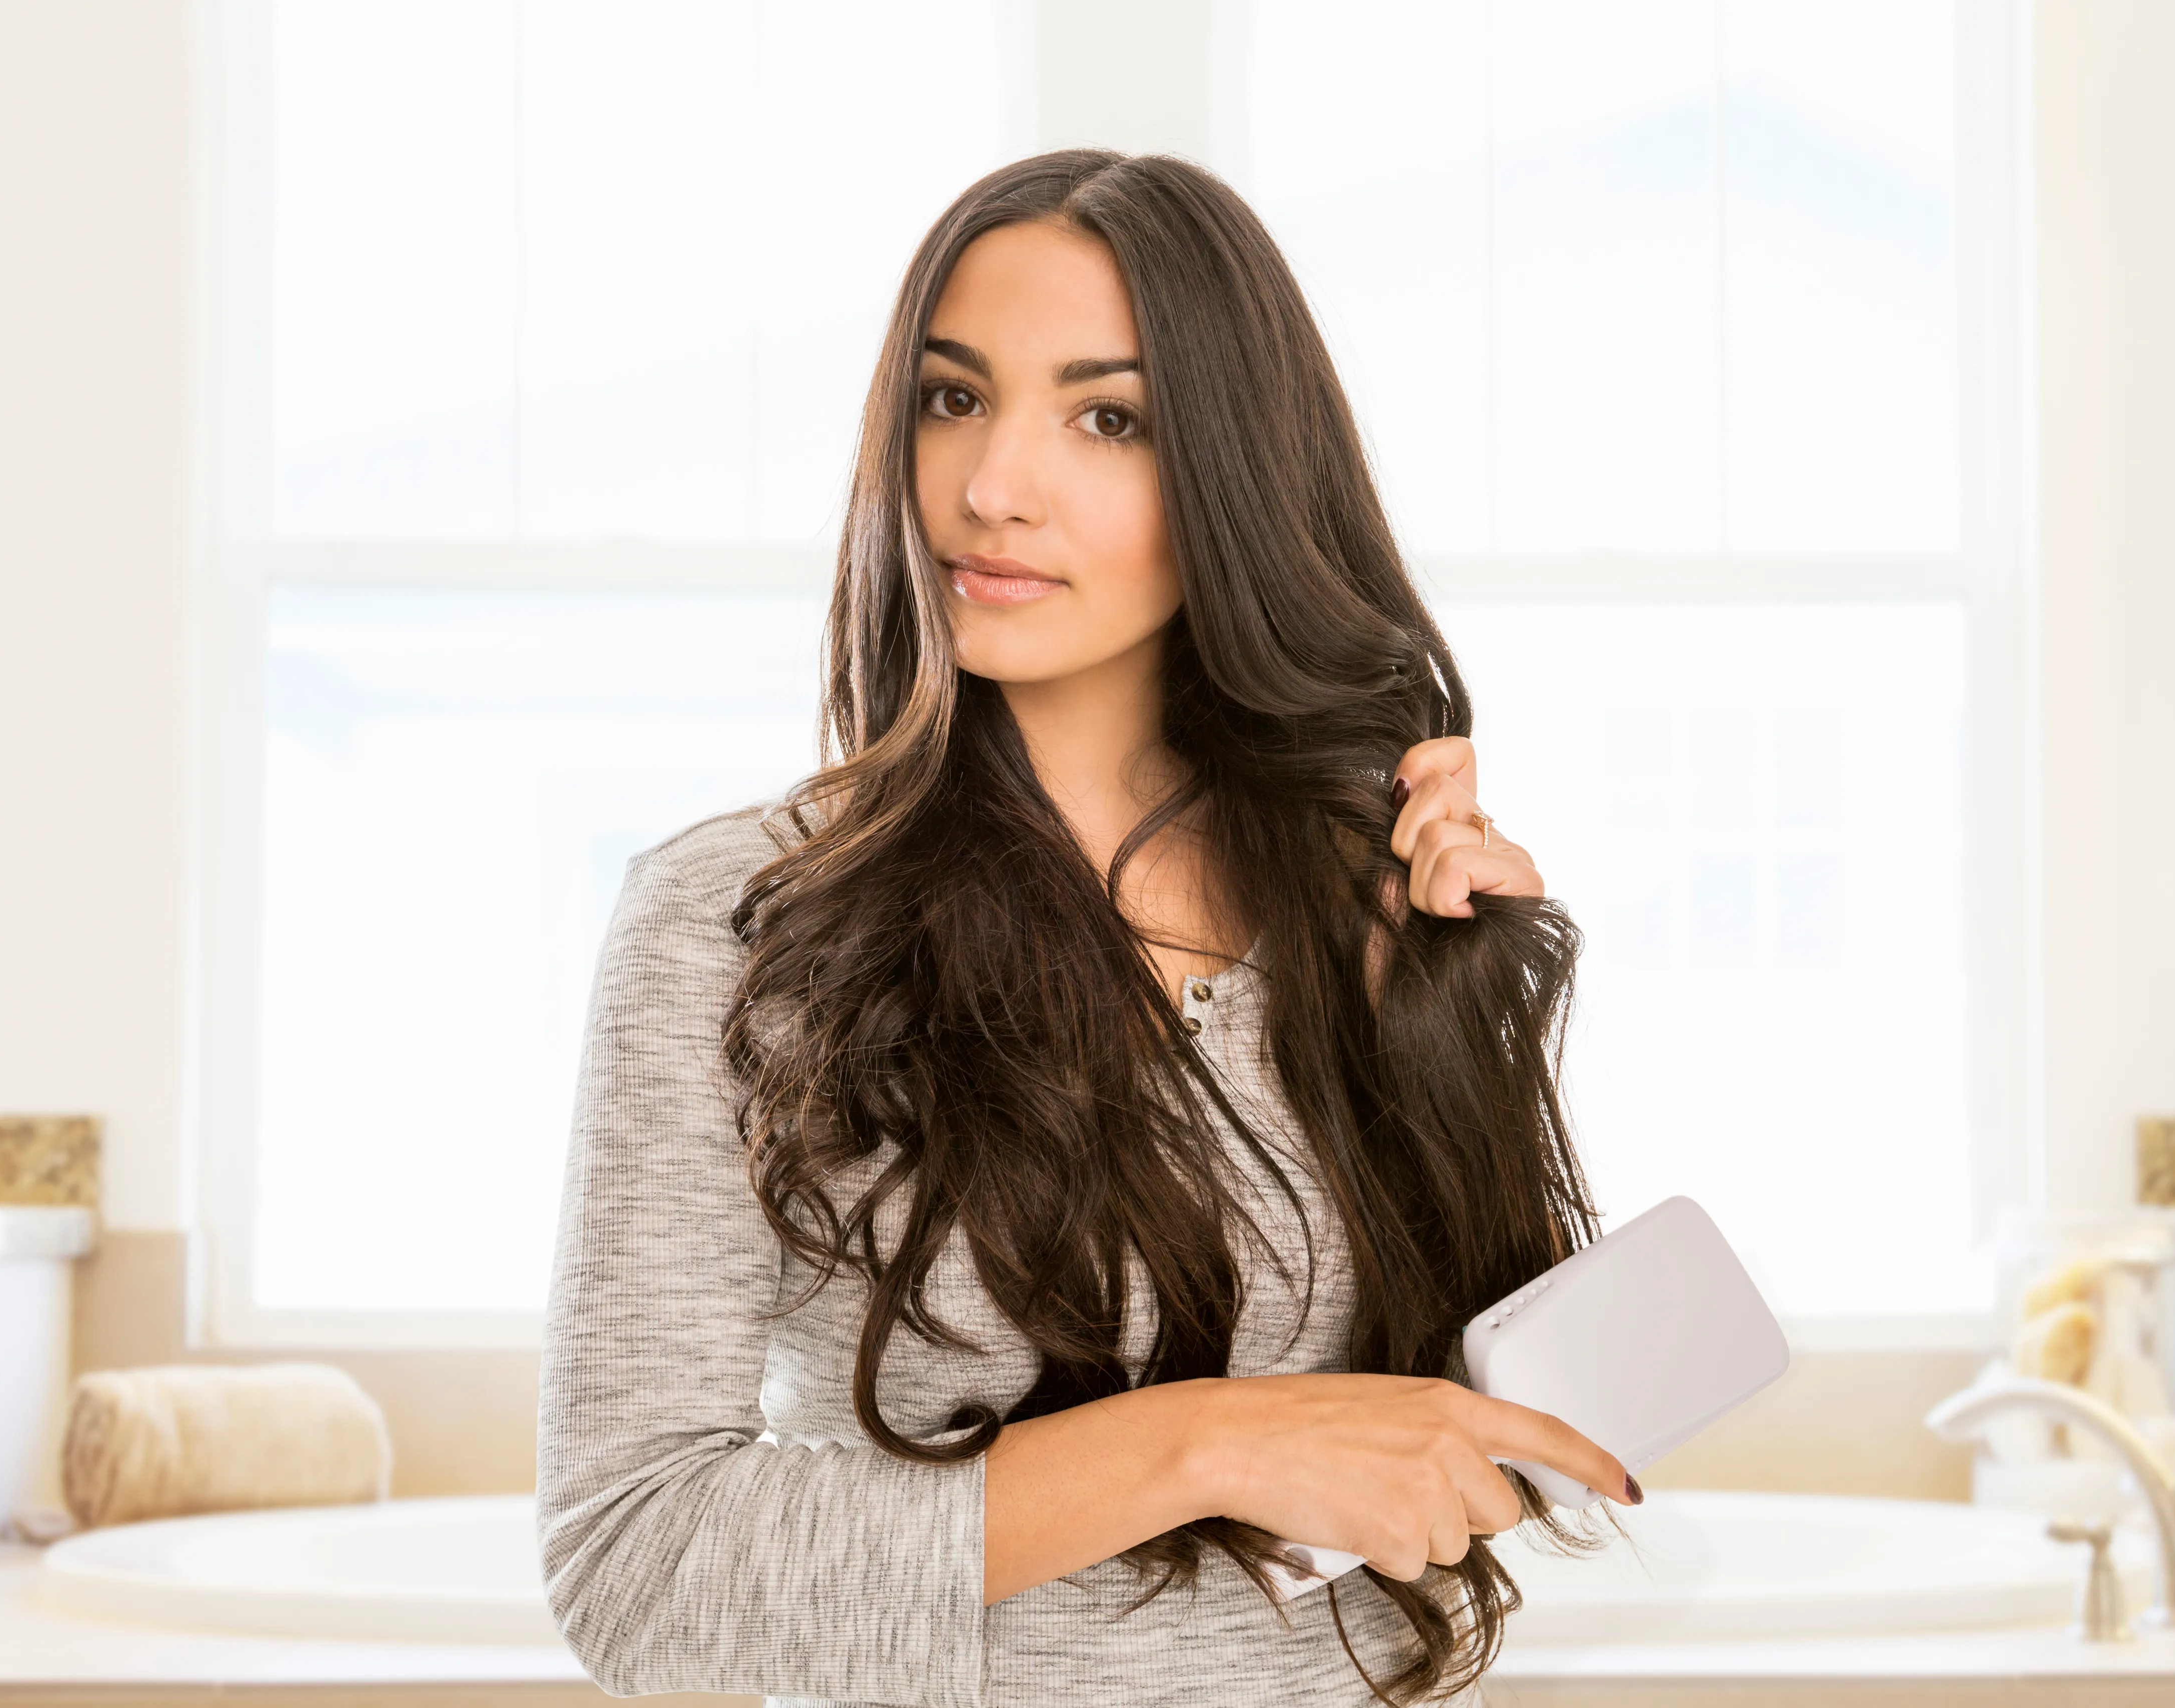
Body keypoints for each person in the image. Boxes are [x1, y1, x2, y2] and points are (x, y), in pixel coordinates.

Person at [537, 149, 1635, 1708]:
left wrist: (1447, 1004)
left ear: (1238, 475)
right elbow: (638, 1567)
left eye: (1106, 417)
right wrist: (1207, 1441)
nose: (992, 485)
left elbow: (1468, 1467)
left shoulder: (1350, 902)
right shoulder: (740, 921)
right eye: (953, 398)